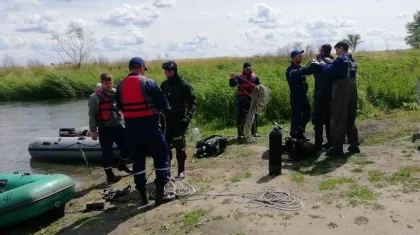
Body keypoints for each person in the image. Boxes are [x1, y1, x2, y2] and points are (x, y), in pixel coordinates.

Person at [115, 57, 173, 206]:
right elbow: (163, 103)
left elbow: (119, 107)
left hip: (131, 129)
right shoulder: (148, 82)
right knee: (162, 154)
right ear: (141, 67)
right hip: (149, 126)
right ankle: (160, 190)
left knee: (137, 161)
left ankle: (143, 194)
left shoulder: (120, 85)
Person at [317, 41, 360, 156]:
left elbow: (329, 71)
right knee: (350, 118)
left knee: (338, 118)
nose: (336, 52)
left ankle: (337, 147)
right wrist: (331, 62)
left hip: (342, 92)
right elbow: (337, 67)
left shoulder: (341, 59)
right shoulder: (352, 60)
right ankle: (354, 144)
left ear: (341, 48)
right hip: (352, 91)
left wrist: (322, 64)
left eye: (337, 50)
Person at [88, 72, 133, 183]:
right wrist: (93, 130)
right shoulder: (95, 97)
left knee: (128, 146)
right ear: (102, 83)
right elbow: (92, 114)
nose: (109, 85)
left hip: (118, 126)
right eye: (106, 83)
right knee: (107, 152)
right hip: (104, 128)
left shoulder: (116, 93)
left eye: (110, 83)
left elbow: (124, 106)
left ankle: (122, 164)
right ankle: (109, 175)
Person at [160, 61, 197, 179]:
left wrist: (187, 117)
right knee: (166, 147)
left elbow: (193, 104)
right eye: (166, 71)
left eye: (169, 71)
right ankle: (167, 170)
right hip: (166, 119)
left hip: (178, 119)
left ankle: (181, 170)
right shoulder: (164, 85)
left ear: (175, 70)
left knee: (179, 147)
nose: (167, 73)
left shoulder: (184, 84)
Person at [229, 62, 261, 139]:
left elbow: (259, 86)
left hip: (253, 99)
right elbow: (232, 84)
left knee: (254, 115)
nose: (249, 70)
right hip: (242, 99)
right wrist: (232, 78)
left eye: (250, 69)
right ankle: (240, 134)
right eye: (247, 69)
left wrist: (257, 92)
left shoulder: (255, 77)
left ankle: (254, 133)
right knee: (241, 116)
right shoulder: (239, 77)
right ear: (243, 69)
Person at [312, 44, 334, 151]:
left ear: (322, 50)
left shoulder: (319, 62)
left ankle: (318, 144)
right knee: (329, 119)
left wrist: (316, 58)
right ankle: (331, 141)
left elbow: (308, 67)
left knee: (318, 120)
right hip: (331, 95)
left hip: (320, 94)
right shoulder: (333, 61)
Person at [285, 50, 311, 141]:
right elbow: (299, 72)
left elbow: (305, 71)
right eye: (299, 56)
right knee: (296, 115)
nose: (301, 57)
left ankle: (300, 132)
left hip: (303, 95)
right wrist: (308, 67)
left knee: (308, 113)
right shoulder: (290, 70)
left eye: (301, 55)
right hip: (296, 96)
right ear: (294, 57)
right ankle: (294, 134)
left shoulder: (300, 67)